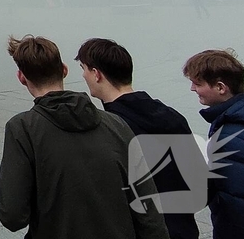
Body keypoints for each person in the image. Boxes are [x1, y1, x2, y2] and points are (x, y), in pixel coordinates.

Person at [0, 35, 168, 238]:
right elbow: (147, 208)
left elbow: (12, 215)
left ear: (22, 77)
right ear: (64, 70)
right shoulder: (116, 124)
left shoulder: (22, 129)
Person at [77, 38, 200, 239]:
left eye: (84, 69)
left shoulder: (108, 128)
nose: (83, 75)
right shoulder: (173, 117)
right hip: (182, 229)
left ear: (96, 74)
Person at [183, 49, 244, 238]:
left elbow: (242, 211)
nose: (192, 88)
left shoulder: (232, 139)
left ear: (220, 87)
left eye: (197, 83)